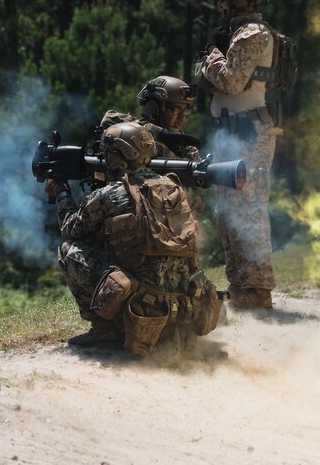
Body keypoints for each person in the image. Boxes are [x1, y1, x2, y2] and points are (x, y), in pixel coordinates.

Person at [45, 122, 221, 355]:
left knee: (70, 249)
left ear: (116, 157)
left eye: (107, 153)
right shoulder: (174, 188)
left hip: (141, 305)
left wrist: (62, 194)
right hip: (182, 304)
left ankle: (103, 328)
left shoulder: (111, 194)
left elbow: (71, 228)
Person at [198, 0, 282, 309]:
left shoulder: (252, 34)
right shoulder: (237, 33)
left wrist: (211, 54)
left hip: (248, 133)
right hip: (230, 132)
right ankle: (240, 287)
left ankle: (257, 291)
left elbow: (231, 82)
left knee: (249, 209)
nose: (220, 5)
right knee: (227, 210)